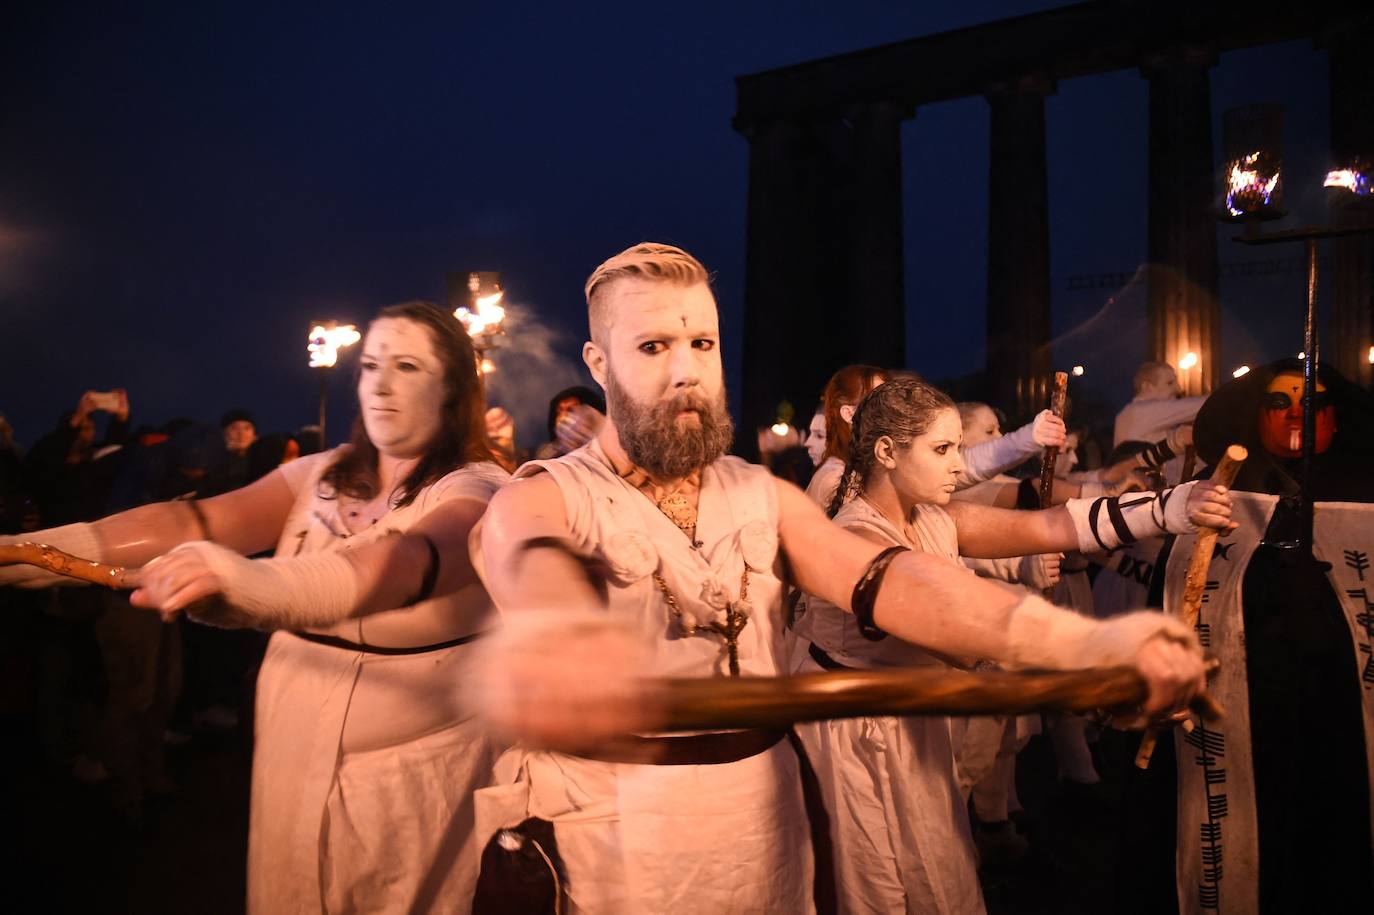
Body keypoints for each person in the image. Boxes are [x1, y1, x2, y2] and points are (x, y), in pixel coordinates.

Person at [472, 242, 1217, 914]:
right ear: (599, 365)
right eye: (653, 345)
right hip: (614, 853)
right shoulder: (544, 495)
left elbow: (891, 579)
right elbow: (530, 558)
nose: (687, 370)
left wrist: (1080, 645)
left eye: (703, 341)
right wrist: (558, 635)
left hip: (763, 839)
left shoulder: (764, 494)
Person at [1, 300, 509, 913]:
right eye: (371, 363)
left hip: (412, 778)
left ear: (455, 387)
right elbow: (200, 519)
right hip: (290, 756)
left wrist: (257, 588)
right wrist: (46, 551)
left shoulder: (480, 489)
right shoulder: (319, 474)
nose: (380, 382)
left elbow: (407, 564)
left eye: (407, 366)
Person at [790, 376, 1232, 913]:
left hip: (911, 730)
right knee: (878, 893)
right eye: (943, 449)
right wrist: (1101, 666)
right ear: (886, 451)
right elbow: (959, 626)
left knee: (943, 876)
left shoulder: (932, 517)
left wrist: (1165, 508)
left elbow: (1050, 526)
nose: (960, 465)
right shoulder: (858, 537)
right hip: (852, 745)